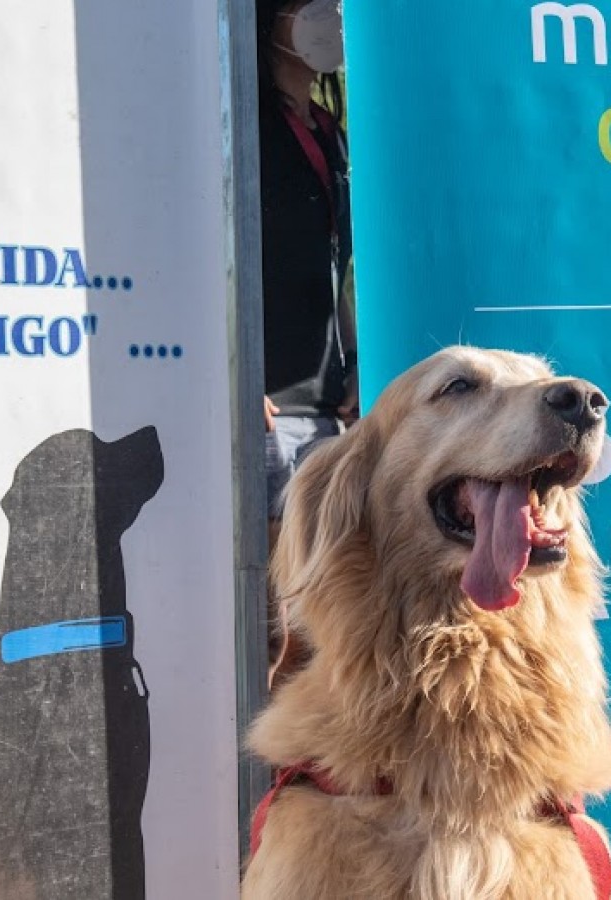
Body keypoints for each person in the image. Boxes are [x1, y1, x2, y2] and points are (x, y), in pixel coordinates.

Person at [257, 0, 354, 685]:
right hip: (268, 401)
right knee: (277, 622)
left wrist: (356, 360)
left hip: (329, 399)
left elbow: (343, 266)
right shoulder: (249, 124)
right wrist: (234, 379)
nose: (333, 19)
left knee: (328, 607)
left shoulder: (329, 128)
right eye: (314, 6)